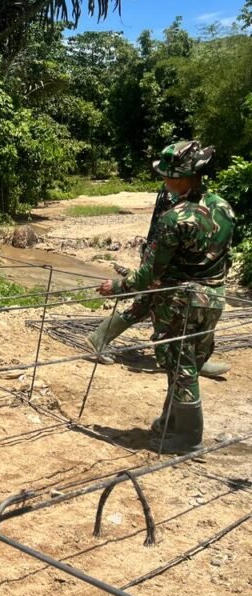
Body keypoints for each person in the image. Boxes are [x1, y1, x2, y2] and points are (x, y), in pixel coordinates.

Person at [98, 141, 235, 454]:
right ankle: (170, 423)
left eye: (167, 176)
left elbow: (149, 272)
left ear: (180, 177)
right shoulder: (224, 207)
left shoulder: (174, 219)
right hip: (212, 299)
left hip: (180, 302)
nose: (164, 182)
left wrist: (116, 288)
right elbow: (222, 258)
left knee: (181, 368)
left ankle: (187, 438)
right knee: (189, 364)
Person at [87, 183, 231, 378]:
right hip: (167, 259)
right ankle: (190, 359)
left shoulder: (203, 198)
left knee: (145, 303)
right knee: (151, 301)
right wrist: (122, 285)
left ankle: (99, 337)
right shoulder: (176, 194)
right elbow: (162, 229)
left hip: (177, 264)